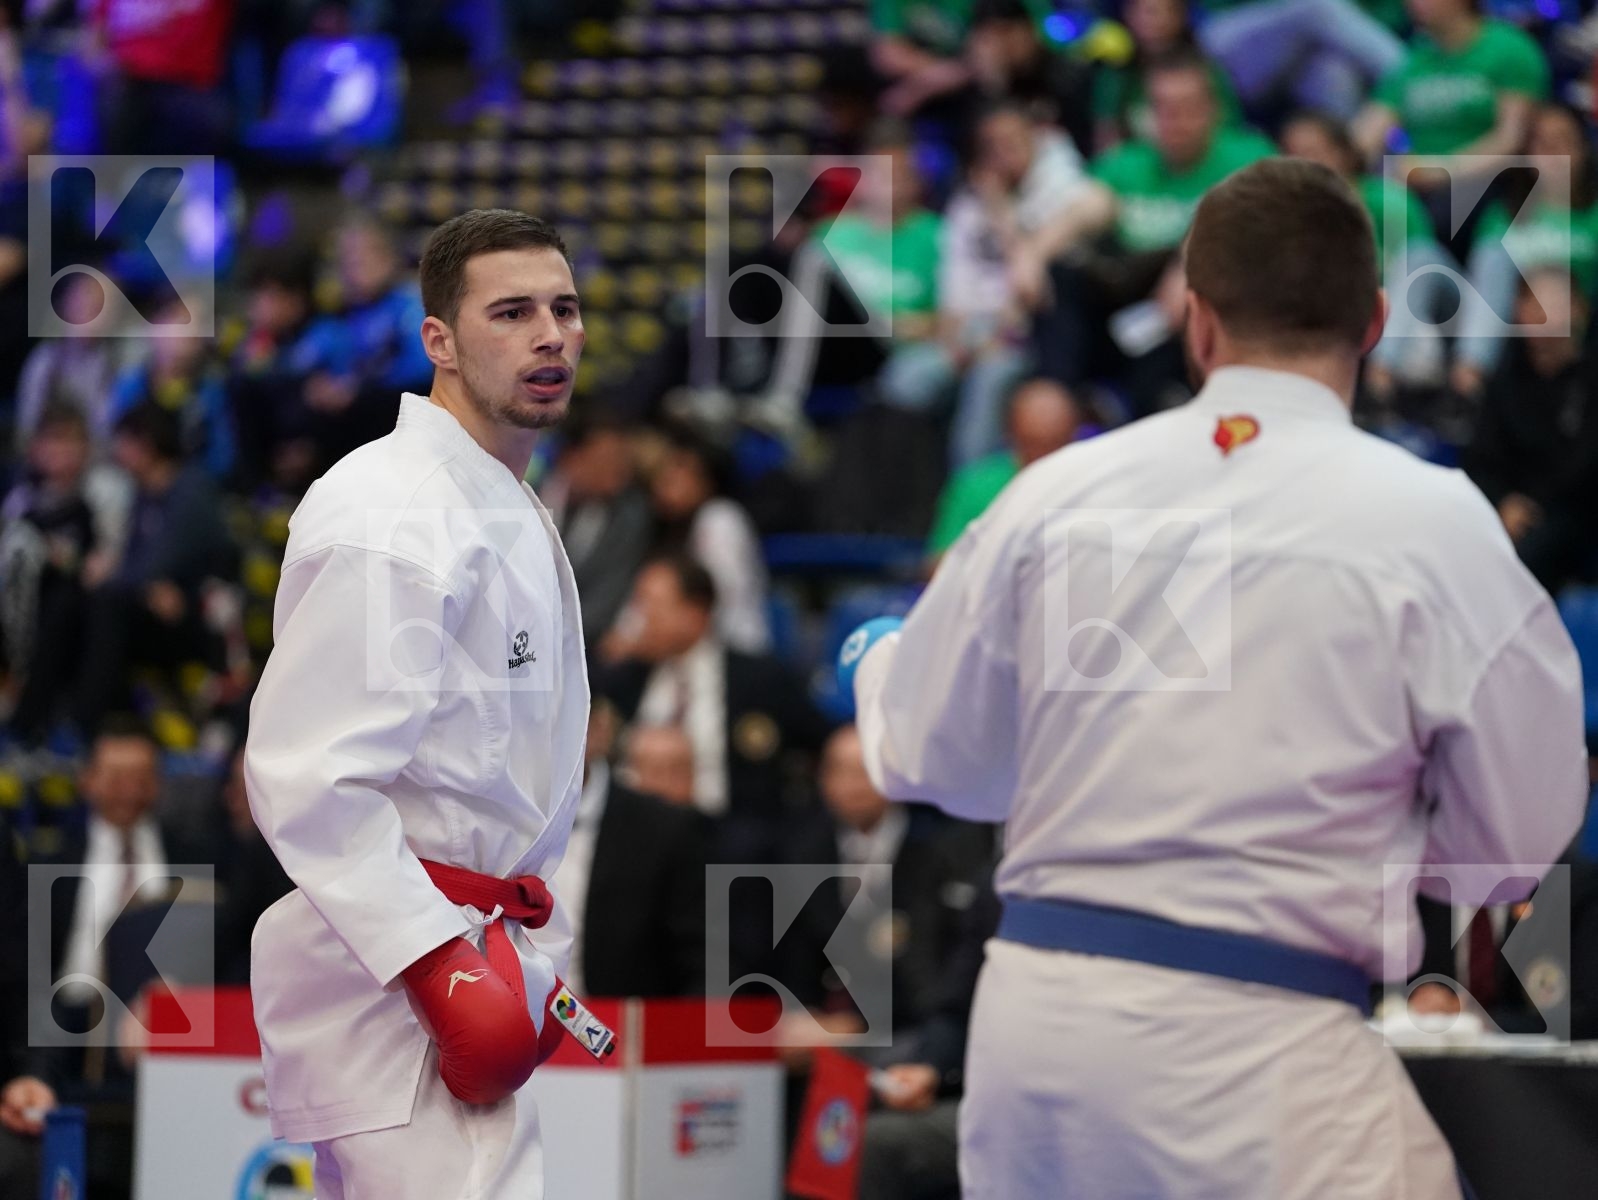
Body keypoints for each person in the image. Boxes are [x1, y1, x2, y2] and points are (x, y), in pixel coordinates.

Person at [841, 158, 1587, 1197]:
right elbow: (1513, 846)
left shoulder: (1051, 492)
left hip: (1033, 1033)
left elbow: (933, 762)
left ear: (1195, 323)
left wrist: (875, 657)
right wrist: (1405, 830)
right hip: (1257, 1036)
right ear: (1372, 322)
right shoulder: (1432, 520)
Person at [244, 209, 600, 1199]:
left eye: (564, 310)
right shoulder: (391, 510)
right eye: (512, 312)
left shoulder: (501, 500)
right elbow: (310, 776)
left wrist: (528, 969)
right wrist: (437, 964)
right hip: (398, 988)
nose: (549, 335)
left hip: (471, 961)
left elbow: (508, 804)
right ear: (437, 340)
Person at [548, 709, 707, 998]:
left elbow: (702, 963)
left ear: (597, 730)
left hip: (623, 1028)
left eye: (555, 714)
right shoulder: (481, 819)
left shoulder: (665, 829)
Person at [1462, 269, 1598, 595]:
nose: (1539, 314)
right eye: (1530, 303)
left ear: (1579, 309)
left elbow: (1586, 467)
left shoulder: (1591, 380)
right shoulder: (1503, 382)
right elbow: (1479, 459)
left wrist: (1534, 505)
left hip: (1577, 518)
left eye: (1552, 303)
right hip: (1510, 517)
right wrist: (1503, 502)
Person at [926, 377, 1083, 560]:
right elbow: (938, 565)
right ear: (1010, 434)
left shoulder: (1095, 487)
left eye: (1055, 444)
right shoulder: (973, 485)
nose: (1043, 456)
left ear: (1073, 436)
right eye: (1031, 443)